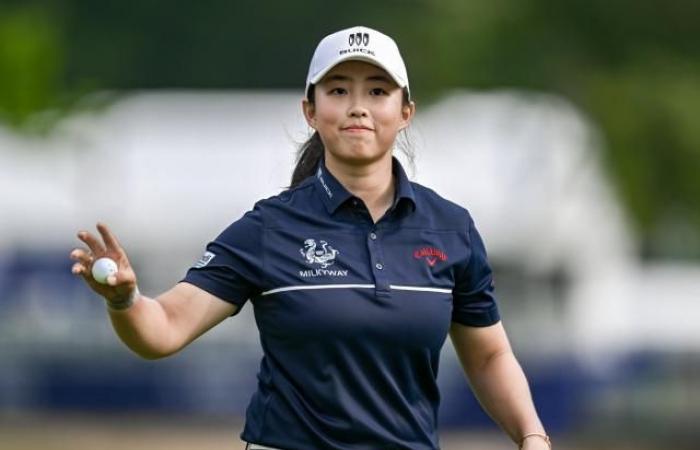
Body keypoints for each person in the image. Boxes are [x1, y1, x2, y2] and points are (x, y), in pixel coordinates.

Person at [70, 25, 550, 450]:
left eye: (377, 91)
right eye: (338, 90)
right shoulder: (267, 229)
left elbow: (489, 355)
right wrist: (125, 300)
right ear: (310, 110)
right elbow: (164, 329)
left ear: (405, 111)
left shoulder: (451, 229)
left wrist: (531, 435)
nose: (358, 107)